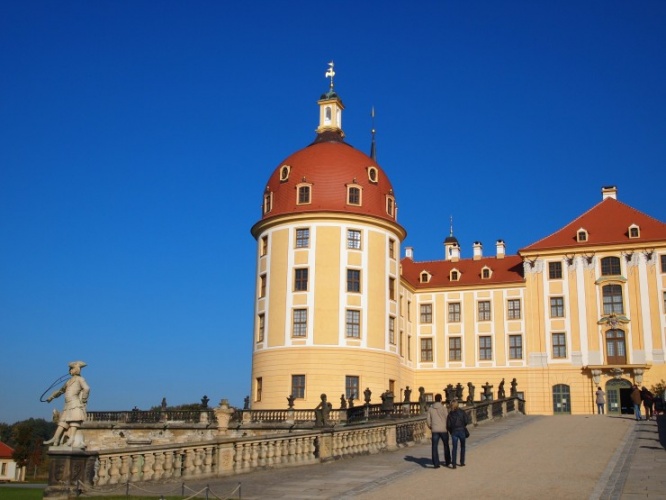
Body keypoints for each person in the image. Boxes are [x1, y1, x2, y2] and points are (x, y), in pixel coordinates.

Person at [44, 361, 90, 448]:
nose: (70, 371)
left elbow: (87, 388)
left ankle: (71, 439)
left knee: (73, 421)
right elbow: (61, 391)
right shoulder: (69, 381)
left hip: (75, 403)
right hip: (67, 404)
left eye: (71, 369)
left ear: (75, 369)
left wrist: (83, 400)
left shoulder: (80, 379)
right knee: (62, 422)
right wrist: (51, 397)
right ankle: (55, 438)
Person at [426, 394, 451, 468]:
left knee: (434, 446)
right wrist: (447, 427)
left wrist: (430, 426)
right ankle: (447, 461)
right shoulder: (444, 408)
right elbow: (447, 418)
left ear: (435, 399)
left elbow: (428, 420)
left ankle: (436, 463)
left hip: (435, 429)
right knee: (446, 445)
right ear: (440, 400)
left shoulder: (431, 409)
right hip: (443, 429)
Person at [447, 400, 469, 468]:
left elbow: (448, 425)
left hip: (454, 431)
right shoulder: (462, 412)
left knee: (454, 448)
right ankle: (462, 462)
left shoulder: (450, 414)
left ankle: (454, 464)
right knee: (462, 447)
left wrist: (451, 431)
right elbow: (466, 421)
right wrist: (463, 426)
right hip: (461, 430)